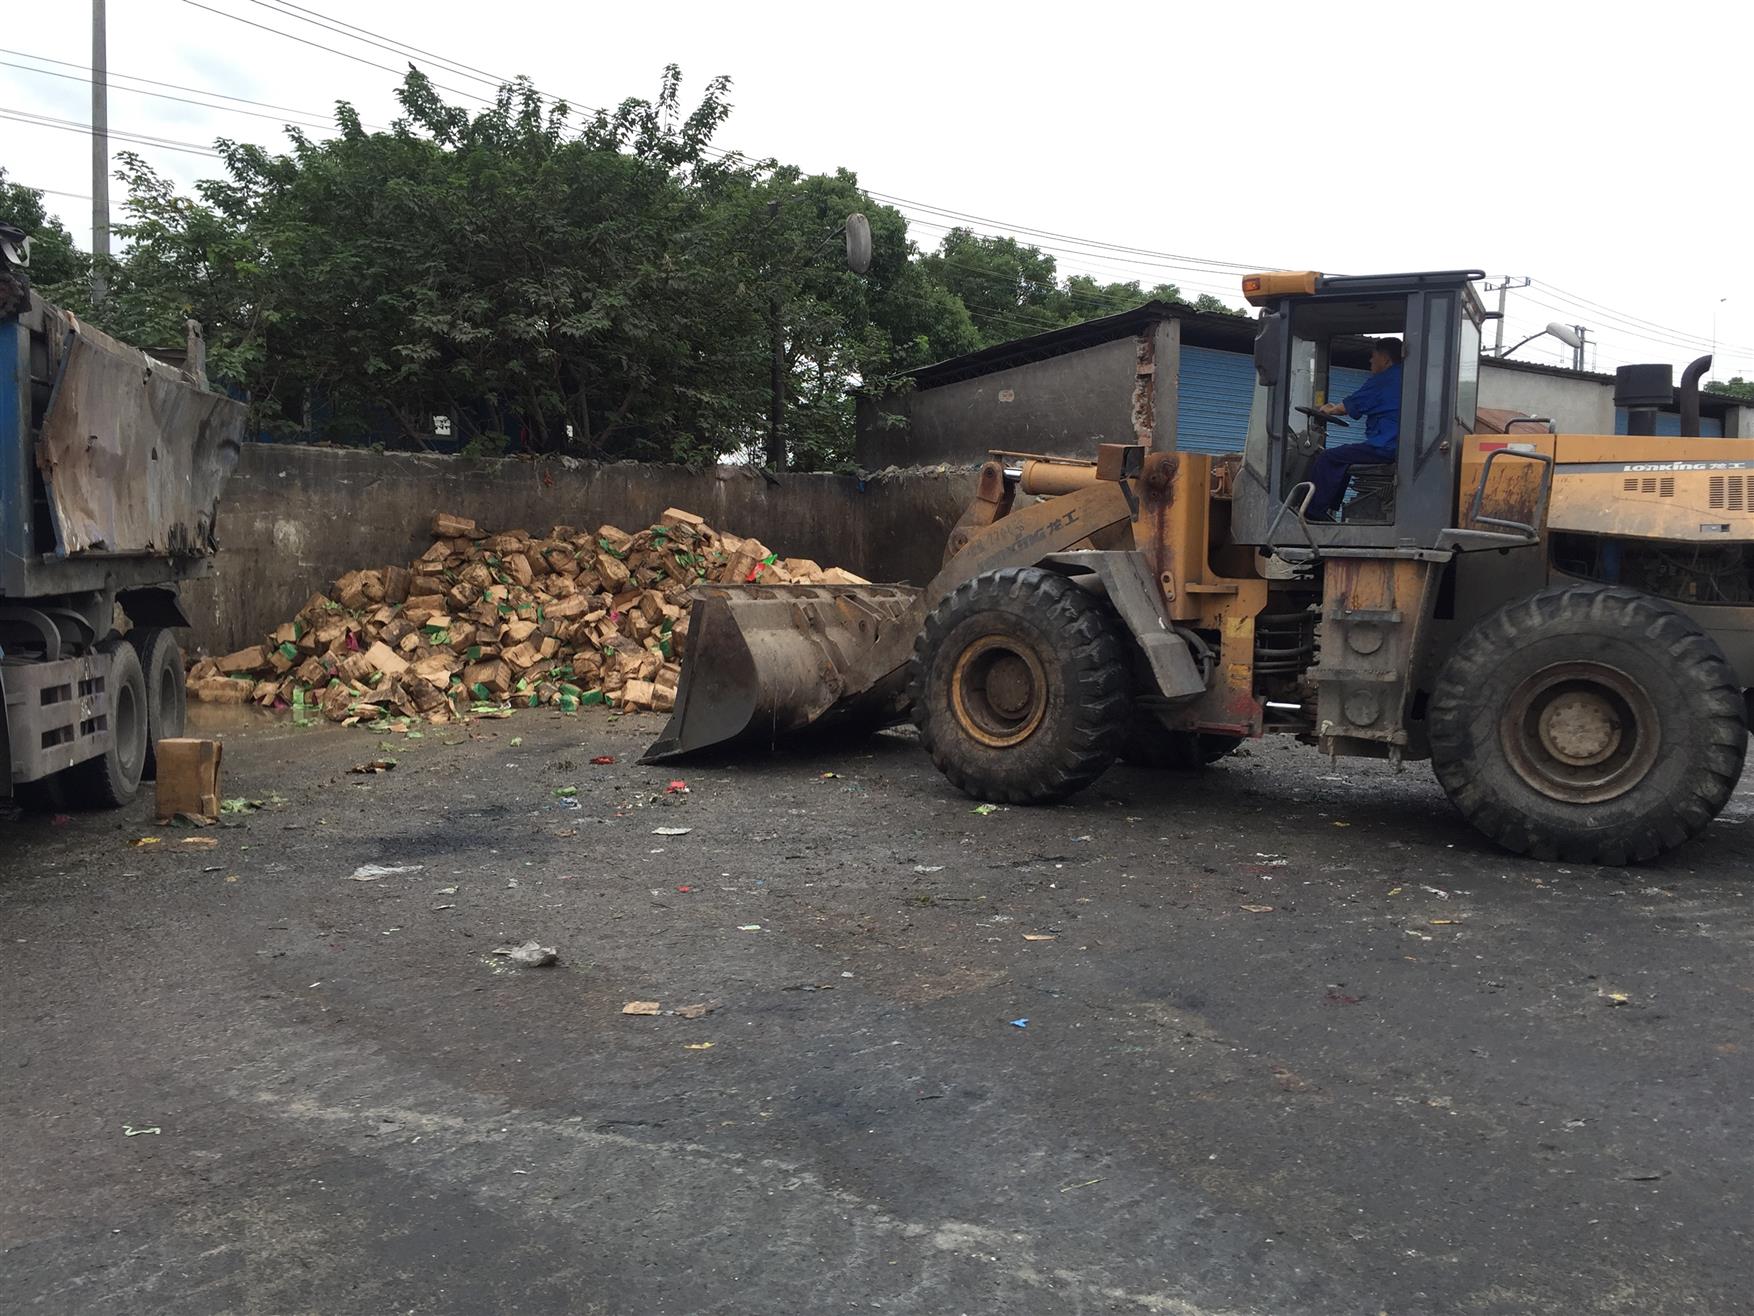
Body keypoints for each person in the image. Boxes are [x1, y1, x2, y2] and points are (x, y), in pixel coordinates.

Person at [1304, 337, 1403, 520]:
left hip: (1385, 446)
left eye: (1374, 357)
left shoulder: (1384, 380)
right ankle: (1327, 510)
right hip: (1394, 444)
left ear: (1386, 360)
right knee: (1344, 457)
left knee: (1328, 458)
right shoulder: (1403, 377)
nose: (1370, 361)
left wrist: (1329, 409)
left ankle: (1313, 513)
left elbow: (1350, 406)